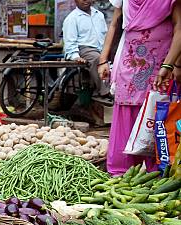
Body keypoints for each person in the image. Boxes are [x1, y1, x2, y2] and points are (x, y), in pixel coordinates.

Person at [98, 0, 181, 175]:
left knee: (155, 113)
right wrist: (103, 60)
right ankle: (122, 171)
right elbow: (114, 24)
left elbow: (179, 27)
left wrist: (169, 65)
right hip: (129, 63)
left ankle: (157, 171)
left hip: (160, 65)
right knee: (125, 110)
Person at [62, 0, 110, 99]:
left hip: (100, 49)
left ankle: (104, 90)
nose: (85, 0)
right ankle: (105, 91)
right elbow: (70, 42)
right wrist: (75, 56)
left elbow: (105, 35)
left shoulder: (99, 15)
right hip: (84, 49)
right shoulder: (72, 18)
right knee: (97, 59)